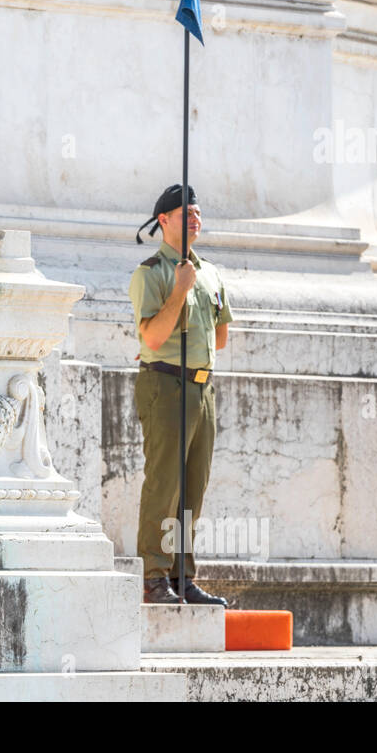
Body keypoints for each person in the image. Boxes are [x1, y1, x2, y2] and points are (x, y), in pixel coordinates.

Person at [128, 184, 232, 606]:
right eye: (184, 213)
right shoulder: (152, 273)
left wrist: (192, 287)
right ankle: (153, 577)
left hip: (202, 386)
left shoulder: (209, 272)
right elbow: (151, 337)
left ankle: (182, 575)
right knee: (164, 484)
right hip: (166, 383)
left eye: (197, 212)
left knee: (193, 487)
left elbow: (220, 336)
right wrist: (179, 291)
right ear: (163, 222)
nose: (194, 219)